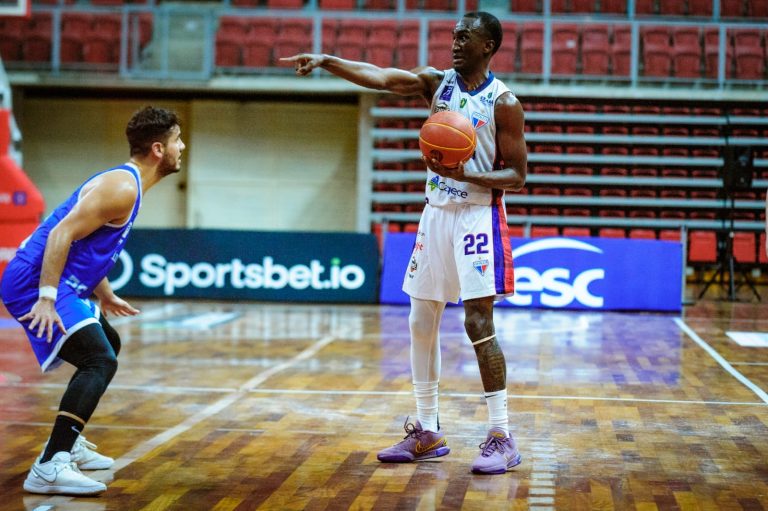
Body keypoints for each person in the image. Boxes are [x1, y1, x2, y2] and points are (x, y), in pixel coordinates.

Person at [282, 11, 527, 474]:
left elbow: (517, 174)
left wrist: (466, 174)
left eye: (466, 37)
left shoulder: (504, 102)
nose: (456, 43)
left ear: (488, 46)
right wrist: (328, 60)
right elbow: (379, 76)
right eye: (454, 36)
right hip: (435, 213)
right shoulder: (436, 83)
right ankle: (428, 430)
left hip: (478, 216)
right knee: (420, 319)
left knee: (478, 322)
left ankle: (501, 434)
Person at [0, 106, 185, 495]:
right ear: (158, 149)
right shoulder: (123, 188)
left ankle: (68, 444)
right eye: (177, 140)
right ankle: (50, 465)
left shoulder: (128, 186)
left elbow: (86, 249)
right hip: (33, 281)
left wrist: (106, 293)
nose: (182, 147)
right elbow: (60, 235)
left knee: (108, 345)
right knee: (98, 359)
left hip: (58, 279)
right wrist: (47, 298)